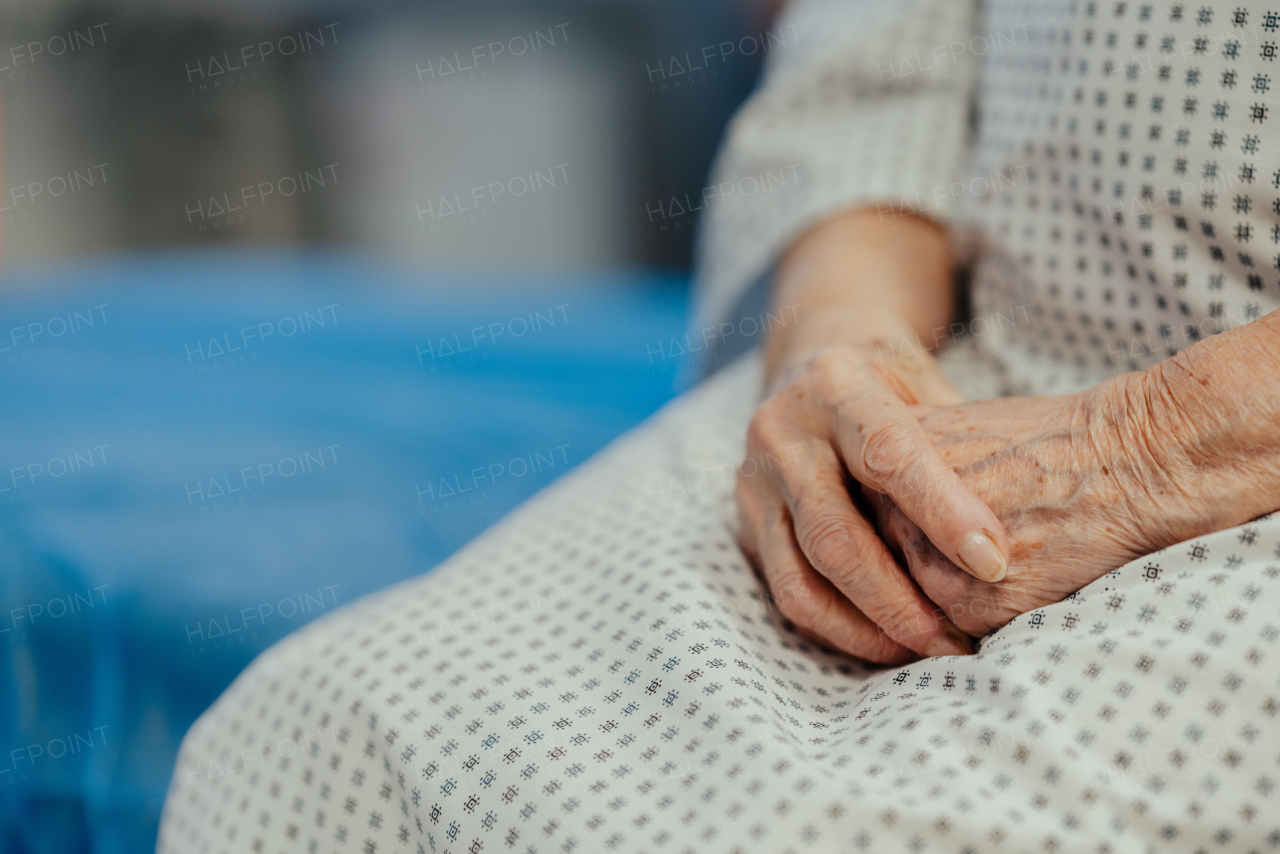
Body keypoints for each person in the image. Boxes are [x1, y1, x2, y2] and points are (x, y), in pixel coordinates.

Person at [159, 1, 1280, 851]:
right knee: (313, 731)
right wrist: (841, 342)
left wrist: (1138, 445)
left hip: (1245, 470)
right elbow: (876, 71)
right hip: (964, 363)